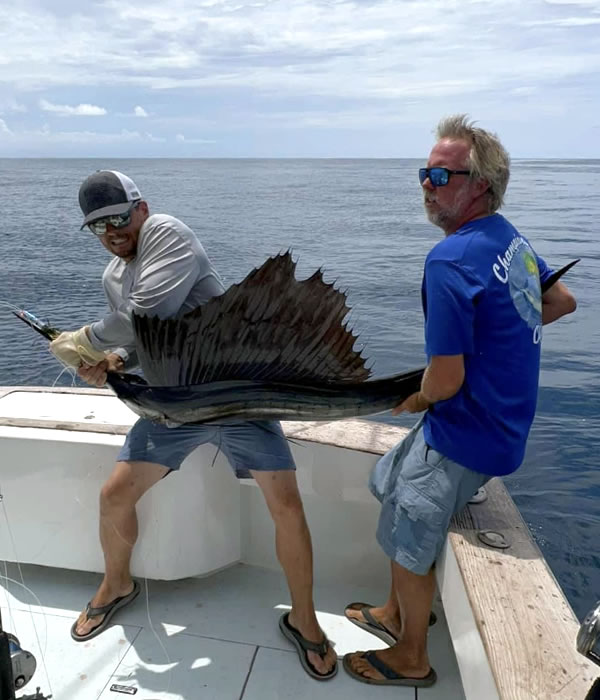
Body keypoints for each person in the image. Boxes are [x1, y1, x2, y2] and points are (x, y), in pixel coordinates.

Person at [49, 169, 337, 681]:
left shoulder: (167, 234)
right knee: (115, 495)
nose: (113, 231)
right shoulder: (112, 277)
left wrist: (87, 339)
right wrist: (112, 360)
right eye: (98, 227)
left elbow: (149, 312)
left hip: (234, 398)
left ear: (141, 207)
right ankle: (117, 585)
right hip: (173, 406)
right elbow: (143, 343)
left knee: (286, 506)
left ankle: (305, 620)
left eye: (118, 217)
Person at [342, 115, 577, 687]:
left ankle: (411, 656)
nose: (427, 183)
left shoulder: (448, 260)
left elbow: (443, 381)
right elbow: (561, 301)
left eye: (442, 176)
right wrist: (498, 344)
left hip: (465, 432)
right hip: (501, 427)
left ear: (481, 184)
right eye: (425, 172)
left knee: (409, 528)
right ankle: (394, 610)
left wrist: (415, 398)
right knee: (387, 482)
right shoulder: (508, 237)